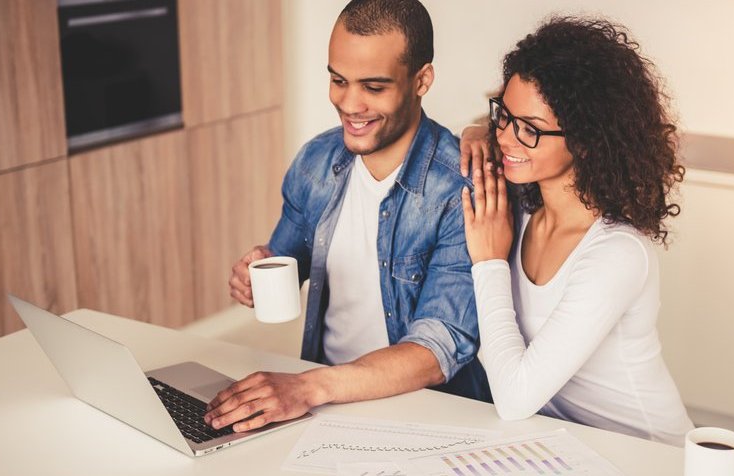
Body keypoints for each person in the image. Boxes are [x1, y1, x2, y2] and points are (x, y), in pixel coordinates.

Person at [204, 0, 489, 433]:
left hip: (429, 417)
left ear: (421, 80)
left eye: (373, 87)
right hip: (324, 405)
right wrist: (255, 273)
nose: (350, 104)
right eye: (339, 80)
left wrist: (308, 387)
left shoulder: (460, 189)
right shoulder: (316, 160)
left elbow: (435, 351)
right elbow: (285, 258)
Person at [460, 16, 694, 445]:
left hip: (652, 454)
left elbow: (513, 400)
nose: (507, 138)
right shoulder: (523, 209)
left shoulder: (616, 254)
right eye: (503, 117)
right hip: (572, 444)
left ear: (585, 140)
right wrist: (477, 129)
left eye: (528, 129)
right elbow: (497, 128)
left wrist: (490, 261)